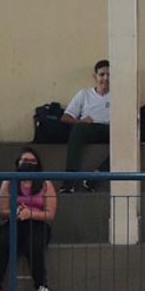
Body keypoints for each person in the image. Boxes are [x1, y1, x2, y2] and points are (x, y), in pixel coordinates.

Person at [0, 147, 57, 291]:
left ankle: (41, 287)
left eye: (32, 161)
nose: (28, 164)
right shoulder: (9, 182)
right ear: (18, 162)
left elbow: (50, 214)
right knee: (3, 243)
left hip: (37, 224)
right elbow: (2, 211)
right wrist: (17, 213)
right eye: (25, 161)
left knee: (35, 245)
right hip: (14, 221)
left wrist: (30, 214)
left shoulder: (45, 184)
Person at [60, 60, 111, 193]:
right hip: (90, 128)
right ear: (95, 76)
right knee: (78, 129)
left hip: (111, 129)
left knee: (128, 138)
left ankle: (96, 177)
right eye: (102, 74)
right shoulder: (84, 94)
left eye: (109, 75)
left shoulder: (119, 95)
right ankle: (69, 181)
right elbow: (65, 117)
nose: (106, 78)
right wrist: (80, 121)